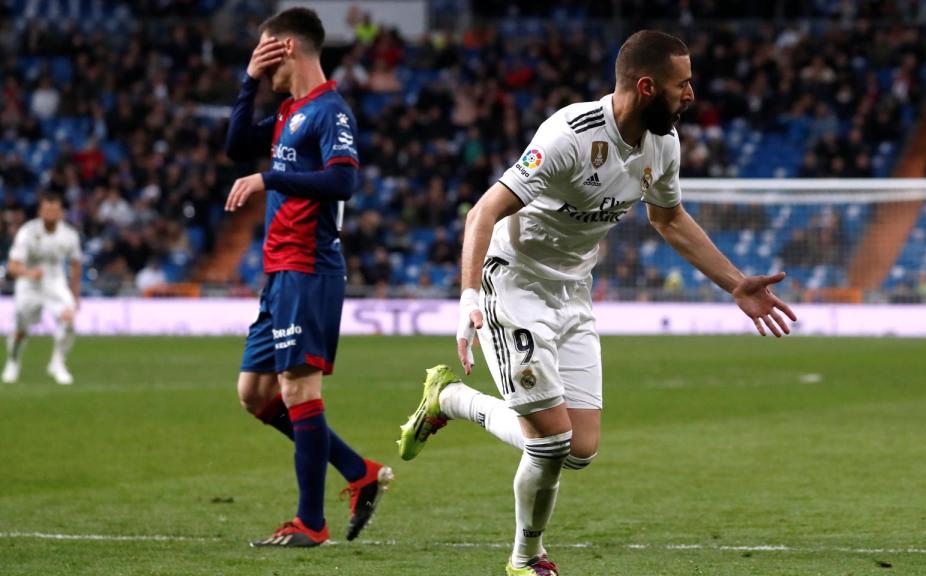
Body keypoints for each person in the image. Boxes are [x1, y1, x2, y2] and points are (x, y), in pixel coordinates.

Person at [397, 30, 797, 576]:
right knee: (552, 440)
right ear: (647, 85)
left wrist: (734, 283)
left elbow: (669, 218)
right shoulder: (569, 134)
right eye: (683, 85)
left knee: (578, 449)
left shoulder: (664, 144)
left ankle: (450, 399)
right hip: (511, 285)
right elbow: (482, 213)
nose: (691, 95)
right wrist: (468, 296)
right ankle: (526, 558)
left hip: (572, 290)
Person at [224, 7, 391, 548]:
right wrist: (248, 81)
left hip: (309, 268)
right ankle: (358, 470)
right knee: (254, 394)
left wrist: (269, 176)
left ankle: (310, 523)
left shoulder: (330, 111)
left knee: (297, 389)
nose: (258, 59)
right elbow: (233, 146)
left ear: (288, 47)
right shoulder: (287, 112)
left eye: (263, 50)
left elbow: (343, 181)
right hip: (279, 272)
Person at [3, 193, 81, 385]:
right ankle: (13, 361)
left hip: (55, 282)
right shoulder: (27, 232)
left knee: (69, 318)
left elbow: (76, 264)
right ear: (40, 211)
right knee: (21, 329)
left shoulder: (69, 235)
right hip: (29, 284)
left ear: (61, 212)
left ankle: (57, 362)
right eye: (47, 210)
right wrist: (29, 273)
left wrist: (75, 295)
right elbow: (12, 267)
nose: (51, 214)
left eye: (55, 210)